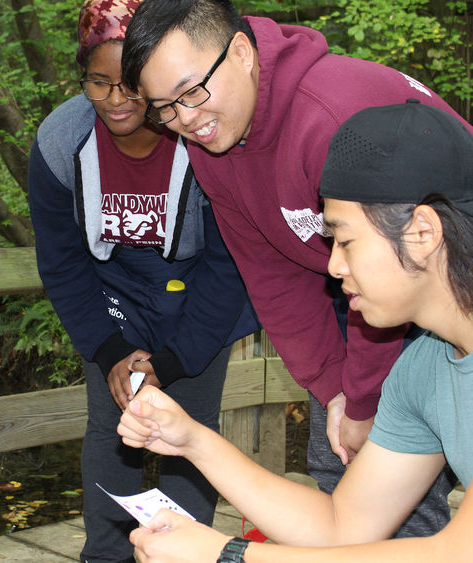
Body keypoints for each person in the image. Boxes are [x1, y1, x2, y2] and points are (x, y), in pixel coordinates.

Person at [119, 0, 473, 535]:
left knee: (386, 476)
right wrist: (336, 391)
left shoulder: (336, 122)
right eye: (164, 108)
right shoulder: (213, 141)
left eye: (192, 93)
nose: (185, 120)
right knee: (344, 464)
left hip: (431, 280)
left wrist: (362, 401)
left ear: (240, 52)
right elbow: (271, 275)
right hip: (387, 288)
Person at [28, 1, 257, 560]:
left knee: (190, 426)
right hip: (113, 293)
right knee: (112, 424)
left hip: (201, 292)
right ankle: (107, 552)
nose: (115, 101)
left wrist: (175, 361)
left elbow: (229, 263)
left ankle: (186, 550)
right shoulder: (61, 142)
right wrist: (109, 351)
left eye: (130, 84)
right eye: (97, 83)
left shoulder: (200, 133)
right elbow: (62, 262)